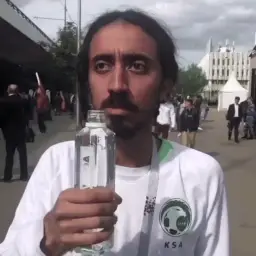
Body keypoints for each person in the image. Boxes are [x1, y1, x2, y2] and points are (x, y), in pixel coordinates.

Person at [0, 9, 229, 256]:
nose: (117, 84)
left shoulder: (200, 174)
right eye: (102, 65)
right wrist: (45, 246)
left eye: (137, 66)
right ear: (88, 84)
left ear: (166, 86)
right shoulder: (57, 163)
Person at [0, 84, 28, 182]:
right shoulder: (23, 101)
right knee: (22, 154)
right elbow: (27, 116)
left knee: (9, 154)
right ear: (17, 91)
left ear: (8, 90)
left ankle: (8, 176)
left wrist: (3, 129)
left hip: (9, 132)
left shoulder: (3, 101)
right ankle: (24, 175)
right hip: (20, 130)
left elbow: (1, 118)